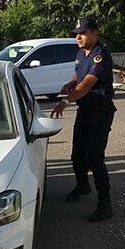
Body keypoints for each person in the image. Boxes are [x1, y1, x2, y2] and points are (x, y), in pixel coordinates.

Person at [50, 16, 116, 222]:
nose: (78, 37)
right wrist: (71, 83)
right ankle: (82, 186)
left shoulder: (101, 54)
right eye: (76, 34)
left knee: (95, 158)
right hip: (85, 109)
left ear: (94, 33)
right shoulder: (81, 52)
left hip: (100, 110)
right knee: (77, 155)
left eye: (83, 33)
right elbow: (79, 75)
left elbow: (88, 83)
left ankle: (105, 204)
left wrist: (65, 101)